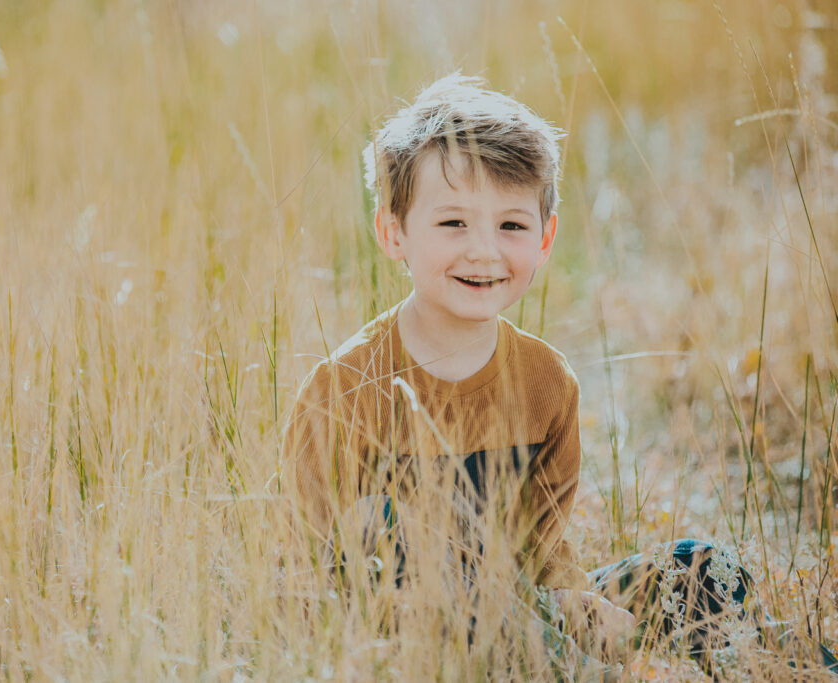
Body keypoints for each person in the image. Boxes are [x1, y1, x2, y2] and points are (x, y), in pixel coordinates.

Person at [281, 74, 836, 678]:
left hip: (527, 609)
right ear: (394, 233)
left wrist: (576, 603)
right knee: (381, 521)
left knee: (703, 567)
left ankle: (768, 661)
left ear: (545, 238)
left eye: (511, 226)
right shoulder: (346, 385)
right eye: (453, 224)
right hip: (411, 628)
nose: (485, 251)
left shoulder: (546, 382)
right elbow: (301, 561)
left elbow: (542, 549)